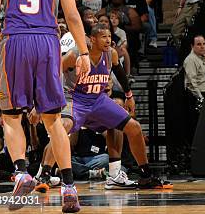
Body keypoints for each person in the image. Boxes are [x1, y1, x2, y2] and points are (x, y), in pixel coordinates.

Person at [0, 0, 91, 212]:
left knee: (10, 116)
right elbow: (72, 16)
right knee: (53, 119)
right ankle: (68, 187)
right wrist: (83, 52)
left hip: (15, 41)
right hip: (47, 42)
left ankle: (21, 171)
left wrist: (2, 42)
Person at [39, 24, 172, 190]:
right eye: (103, 37)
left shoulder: (111, 54)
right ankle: (43, 174)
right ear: (93, 39)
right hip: (75, 99)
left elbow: (120, 72)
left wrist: (129, 96)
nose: (108, 40)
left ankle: (143, 176)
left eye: (109, 36)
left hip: (98, 100)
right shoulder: (75, 54)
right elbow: (54, 70)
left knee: (133, 127)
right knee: (62, 127)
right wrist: (48, 97)